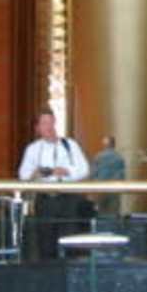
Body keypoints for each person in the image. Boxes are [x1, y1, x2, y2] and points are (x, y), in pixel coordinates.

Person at [17, 109, 89, 258]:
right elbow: (23, 176)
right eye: (44, 123)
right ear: (38, 128)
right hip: (45, 200)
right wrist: (36, 174)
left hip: (68, 199)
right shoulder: (33, 149)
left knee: (70, 243)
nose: (49, 127)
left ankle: (69, 270)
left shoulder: (70, 145)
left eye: (51, 122)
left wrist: (67, 171)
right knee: (46, 244)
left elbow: (84, 169)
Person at [90, 134, 127, 215]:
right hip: (114, 189)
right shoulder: (119, 158)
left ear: (104, 145)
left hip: (100, 189)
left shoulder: (98, 157)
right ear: (114, 144)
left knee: (100, 212)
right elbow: (122, 175)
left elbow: (93, 173)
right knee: (113, 212)